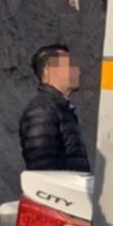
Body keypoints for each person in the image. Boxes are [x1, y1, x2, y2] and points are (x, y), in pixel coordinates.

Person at [19, 43, 91, 171]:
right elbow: (42, 168)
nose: (78, 71)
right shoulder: (41, 111)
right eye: (69, 65)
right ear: (48, 70)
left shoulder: (61, 109)